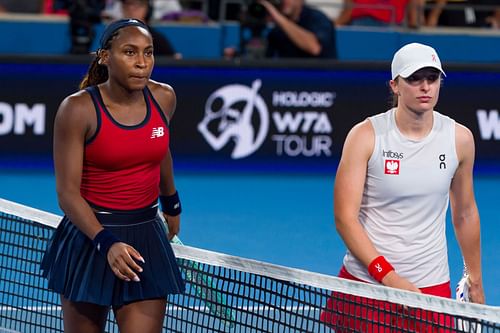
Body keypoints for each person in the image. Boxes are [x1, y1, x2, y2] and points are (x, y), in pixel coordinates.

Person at [321, 42, 484, 332]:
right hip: (367, 286)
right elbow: (345, 219)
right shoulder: (365, 136)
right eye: (414, 79)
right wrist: (390, 278)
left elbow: (465, 214)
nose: (425, 87)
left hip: (431, 288)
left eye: (432, 79)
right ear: (395, 85)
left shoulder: (460, 139)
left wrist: (475, 279)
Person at [40, 18, 185, 333]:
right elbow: (67, 194)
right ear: (105, 57)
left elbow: (158, 147)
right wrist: (106, 243)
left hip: (146, 237)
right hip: (91, 238)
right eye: (130, 52)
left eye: (148, 53)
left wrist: (171, 200)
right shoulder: (77, 110)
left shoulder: (164, 97)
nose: (142, 63)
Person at [261, 0, 337, 58]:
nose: (284, 1)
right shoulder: (277, 29)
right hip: (289, 76)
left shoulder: (317, 18)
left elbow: (314, 48)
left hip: (321, 75)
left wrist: (277, 16)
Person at [335, 0, 419, 27]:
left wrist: (332, 25)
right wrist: (413, 23)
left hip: (363, 23)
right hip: (394, 25)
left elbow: (347, 13)